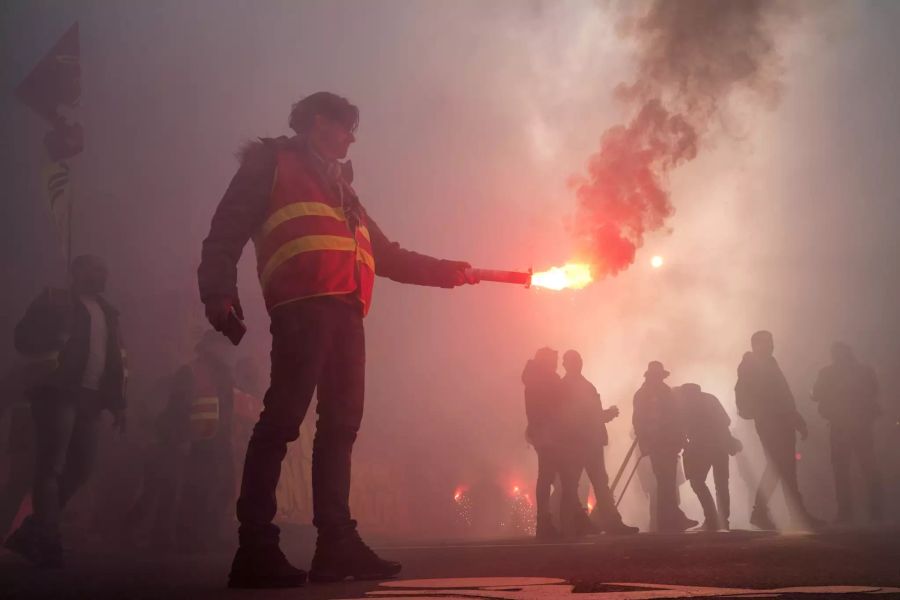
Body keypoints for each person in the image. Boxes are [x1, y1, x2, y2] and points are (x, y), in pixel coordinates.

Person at [198, 91, 476, 588]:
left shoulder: (343, 190)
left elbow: (386, 255)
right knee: (282, 421)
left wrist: (449, 273)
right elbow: (226, 229)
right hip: (301, 307)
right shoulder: (272, 163)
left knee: (341, 427)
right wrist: (216, 290)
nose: (352, 137)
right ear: (320, 122)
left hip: (348, 311)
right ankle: (256, 547)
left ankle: (336, 546)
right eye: (347, 126)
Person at [5, 255, 127, 567]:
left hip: (89, 398)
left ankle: (34, 529)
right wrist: (51, 336)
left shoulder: (108, 313)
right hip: (56, 392)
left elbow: (115, 363)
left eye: (104, 270)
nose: (103, 275)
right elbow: (22, 338)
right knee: (51, 466)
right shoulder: (54, 300)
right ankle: (47, 539)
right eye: (96, 269)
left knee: (82, 467)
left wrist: (118, 404)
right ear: (76, 272)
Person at [735, 330, 823, 531]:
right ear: (756, 344)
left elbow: (783, 395)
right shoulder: (753, 365)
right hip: (770, 422)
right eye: (767, 342)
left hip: (779, 421)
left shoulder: (768, 363)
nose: (771, 345)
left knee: (783, 467)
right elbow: (777, 396)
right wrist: (793, 418)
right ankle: (781, 514)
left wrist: (795, 419)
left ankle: (788, 515)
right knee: (780, 467)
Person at [560, 350, 638, 534]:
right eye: (574, 361)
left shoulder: (578, 385)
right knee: (578, 484)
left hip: (587, 441)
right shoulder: (571, 387)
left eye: (578, 360)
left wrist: (604, 415)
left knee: (589, 484)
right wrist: (605, 415)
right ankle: (578, 523)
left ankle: (586, 523)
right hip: (580, 442)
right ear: (567, 364)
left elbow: (586, 415)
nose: (578, 364)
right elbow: (578, 416)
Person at [811, 342, 882, 524]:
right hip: (855, 426)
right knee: (864, 468)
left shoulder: (829, 373)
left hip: (844, 426)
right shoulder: (863, 371)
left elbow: (816, 394)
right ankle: (872, 511)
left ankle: (849, 512)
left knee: (845, 470)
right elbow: (874, 392)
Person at [633, 361, 697, 532]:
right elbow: (639, 422)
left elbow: (676, 418)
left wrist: (679, 439)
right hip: (658, 444)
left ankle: (669, 519)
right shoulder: (647, 394)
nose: (659, 379)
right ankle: (669, 520)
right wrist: (645, 442)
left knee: (667, 482)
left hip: (666, 444)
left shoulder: (660, 392)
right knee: (665, 482)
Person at [522, 347, 579, 539]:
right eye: (553, 359)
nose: (556, 363)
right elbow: (558, 407)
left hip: (546, 436)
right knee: (563, 479)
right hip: (552, 437)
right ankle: (564, 523)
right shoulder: (545, 380)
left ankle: (548, 522)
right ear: (546, 360)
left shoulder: (536, 379)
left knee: (549, 479)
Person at [679, 383, 741, 531]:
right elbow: (726, 421)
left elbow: (681, 427)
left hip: (700, 448)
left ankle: (712, 519)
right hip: (720, 446)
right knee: (721, 484)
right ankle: (723, 520)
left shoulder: (685, 405)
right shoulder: (710, 399)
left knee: (697, 482)